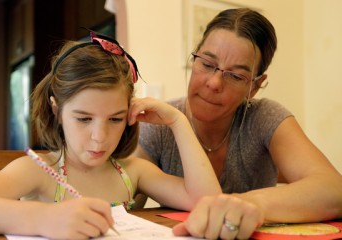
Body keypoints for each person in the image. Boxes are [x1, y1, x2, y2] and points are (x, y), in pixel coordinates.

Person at [0, 31, 221, 239]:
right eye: (83, 119)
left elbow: (207, 202)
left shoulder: (133, 172)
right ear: (56, 110)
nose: (100, 137)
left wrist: (178, 121)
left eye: (115, 119)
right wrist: (44, 219)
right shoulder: (38, 171)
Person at [134, 8, 342, 239]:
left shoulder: (263, 117)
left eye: (235, 76)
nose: (214, 83)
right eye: (207, 63)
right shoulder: (159, 124)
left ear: (254, 87)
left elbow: (334, 189)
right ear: (193, 59)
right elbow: (122, 196)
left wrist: (246, 205)